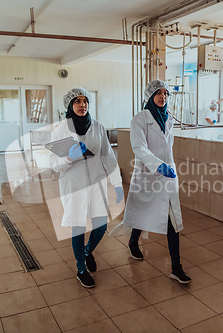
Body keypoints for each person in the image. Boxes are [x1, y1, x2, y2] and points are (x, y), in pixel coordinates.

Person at [50, 87, 124, 288]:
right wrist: (68, 158)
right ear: (69, 105)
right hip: (73, 186)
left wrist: (117, 183)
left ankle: (86, 250)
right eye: (77, 101)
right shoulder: (60, 131)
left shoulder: (98, 127)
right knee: (79, 226)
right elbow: (53, 164)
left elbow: (108, 157)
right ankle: (81, 269)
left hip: (96, 184)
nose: (82, 105)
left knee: (100, 225)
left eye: (85, 101)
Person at [121, 79, 191, 284]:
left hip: (167, 177)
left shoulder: (167, 117)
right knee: (143, 211)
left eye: (166, 93)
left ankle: (176, 268)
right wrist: (157, 165)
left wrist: (166, 166)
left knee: (172, 221)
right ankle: (133, 241)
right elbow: (139, 147)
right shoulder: (140, 119)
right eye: (159, 93)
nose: (163, 97)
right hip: (148, 173)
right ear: (150, 96)